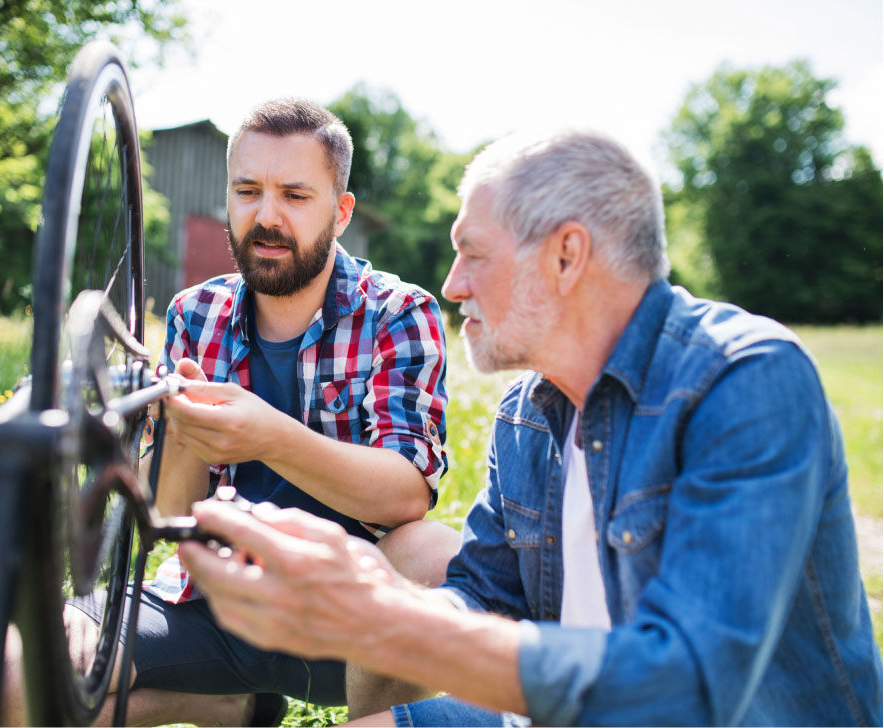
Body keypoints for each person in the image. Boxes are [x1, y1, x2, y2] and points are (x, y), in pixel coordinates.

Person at [176, 128, 884, 727]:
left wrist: (386, 618)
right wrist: (368, 586)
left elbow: (690, 687)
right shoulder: (527, 413)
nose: (452, 285)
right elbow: (484, 592)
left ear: (565, 256)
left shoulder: (744, 380)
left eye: (472, 253)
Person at [0, 98, 461, 726]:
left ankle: (369, 720)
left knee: (435, 557)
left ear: (341, 211)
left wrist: (269, 437)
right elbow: (168, 513)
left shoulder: (398, 313)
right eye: (248, 191)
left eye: (295, 196)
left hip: (351, 619)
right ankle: (231, 706)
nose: (266, 217)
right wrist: (182, 437)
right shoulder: (197, 313)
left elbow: (405, 494)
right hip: (216, 599)